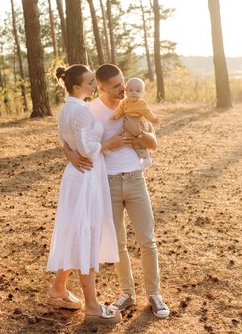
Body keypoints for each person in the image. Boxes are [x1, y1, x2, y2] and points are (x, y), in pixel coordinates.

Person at [64, 64, 170, 319]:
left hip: (135, 179)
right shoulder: (90, 111)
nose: (124, 88)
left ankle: (154, 294)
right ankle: (127, 293)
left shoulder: (135, 103)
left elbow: (153, 144)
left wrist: (139, 134)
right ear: (101, 87)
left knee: (147, 239)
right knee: (118, 243)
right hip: (106, 183)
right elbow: (69, 141)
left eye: (124, 82)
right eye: (117, 85)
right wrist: (70, 155)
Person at [46, 64, 133, 325]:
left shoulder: (67, 108)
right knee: (87, 234)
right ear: (76, 86)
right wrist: (110, 144)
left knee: (77, 231)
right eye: (89, 82)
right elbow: (87, 149)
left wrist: (70, 153)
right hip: (85, 177)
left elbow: (64, 141)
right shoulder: (81, 111)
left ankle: (58, 289)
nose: (94, 85)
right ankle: (93, 306)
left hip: (80, 175)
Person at [111, 76, 162, 169]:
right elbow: (120, 110)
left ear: (142, 93)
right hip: (127, 122)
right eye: (130, 90)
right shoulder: (124, 102)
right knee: (122, 137)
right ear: (126, 92)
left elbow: (147, 112)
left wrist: (153, 119)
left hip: (138, 123)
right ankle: (112, 148)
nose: (134, 93)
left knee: (137, 142)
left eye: (138, 91)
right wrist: (116, 115)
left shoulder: (141, 103)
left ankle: (146, 158)